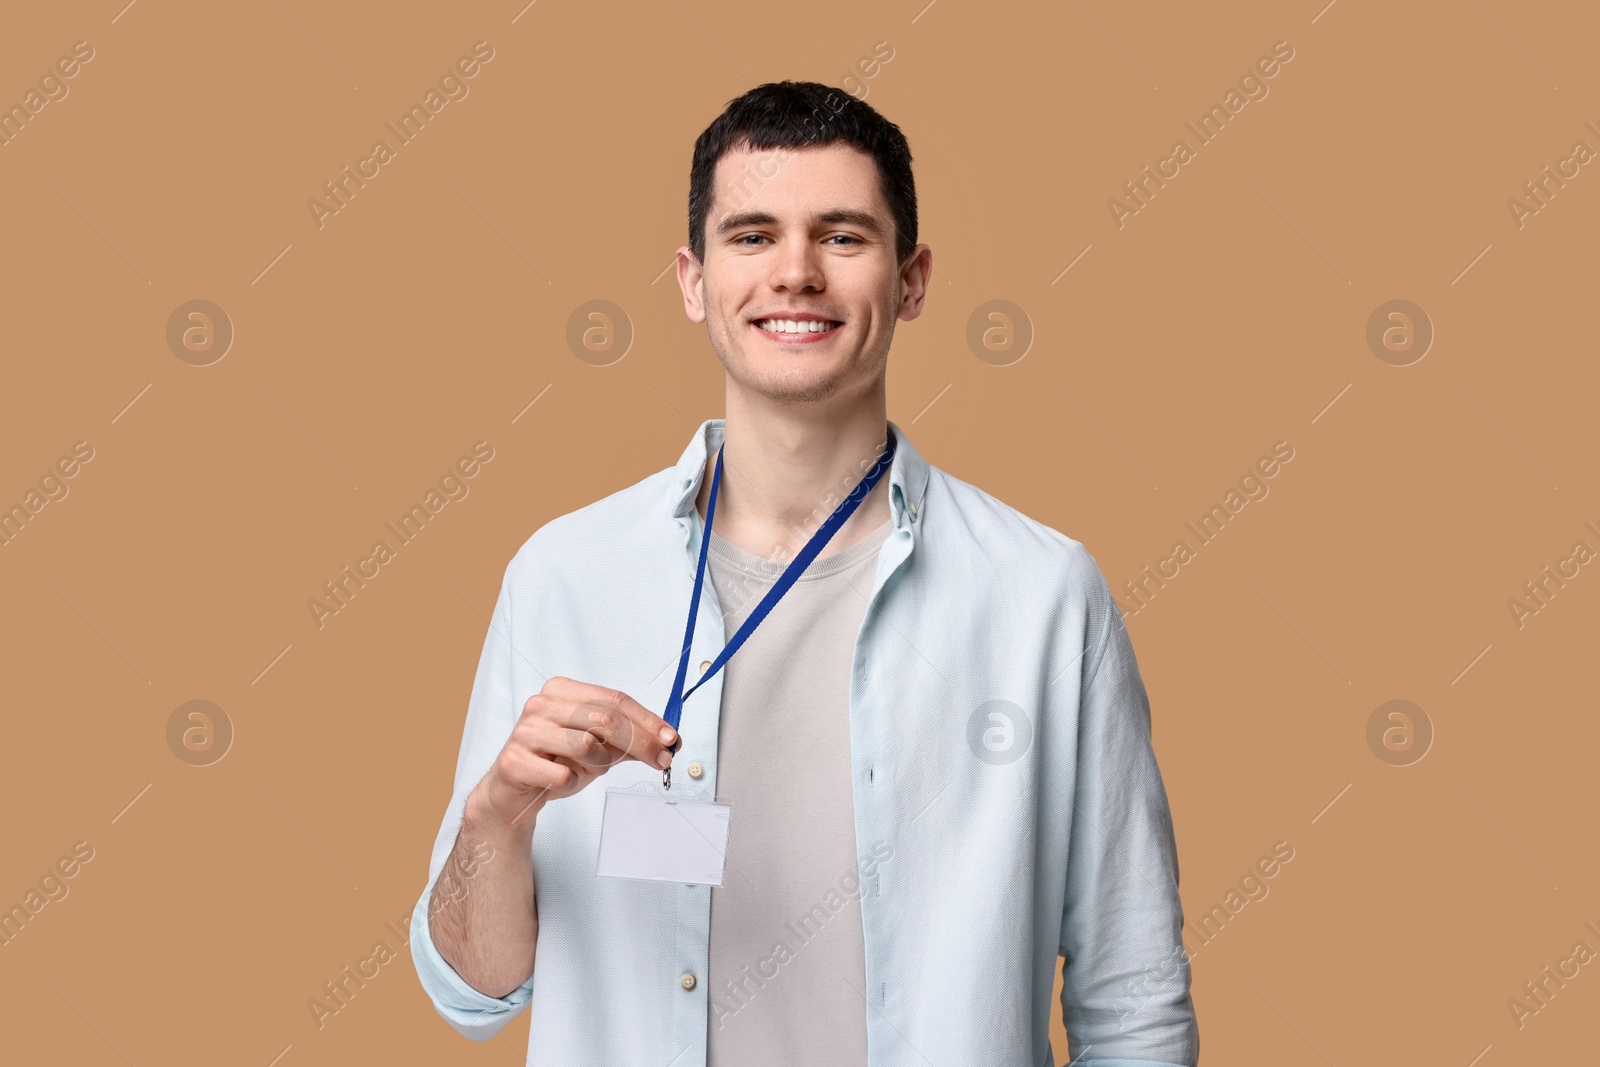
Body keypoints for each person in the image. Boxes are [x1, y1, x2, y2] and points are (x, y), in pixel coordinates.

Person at [409, 79, 1199, 1067]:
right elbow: (469, 994)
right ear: (693, 282)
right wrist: (499, 813)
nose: (795, 272)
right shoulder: (562, 575)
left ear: (910, 281)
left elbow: (1130, 999)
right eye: (751, 236)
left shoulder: (1042, 595)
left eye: (841, 236)